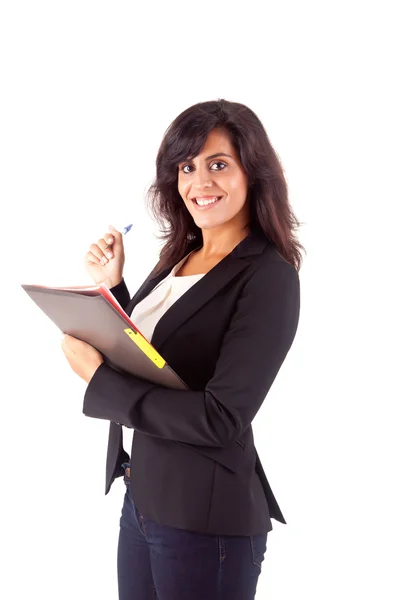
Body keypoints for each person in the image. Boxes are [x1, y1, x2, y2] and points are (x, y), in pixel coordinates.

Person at [61, 98, 304, 600]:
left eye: (219, 164)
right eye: (187, 167)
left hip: (204, 517)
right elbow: (161, 356)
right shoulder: (183, 254)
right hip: (144, 496)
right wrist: (115, 290)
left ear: (253, 173)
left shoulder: (268, 277)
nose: (200, 182)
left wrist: (99, 382)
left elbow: (221, 417)